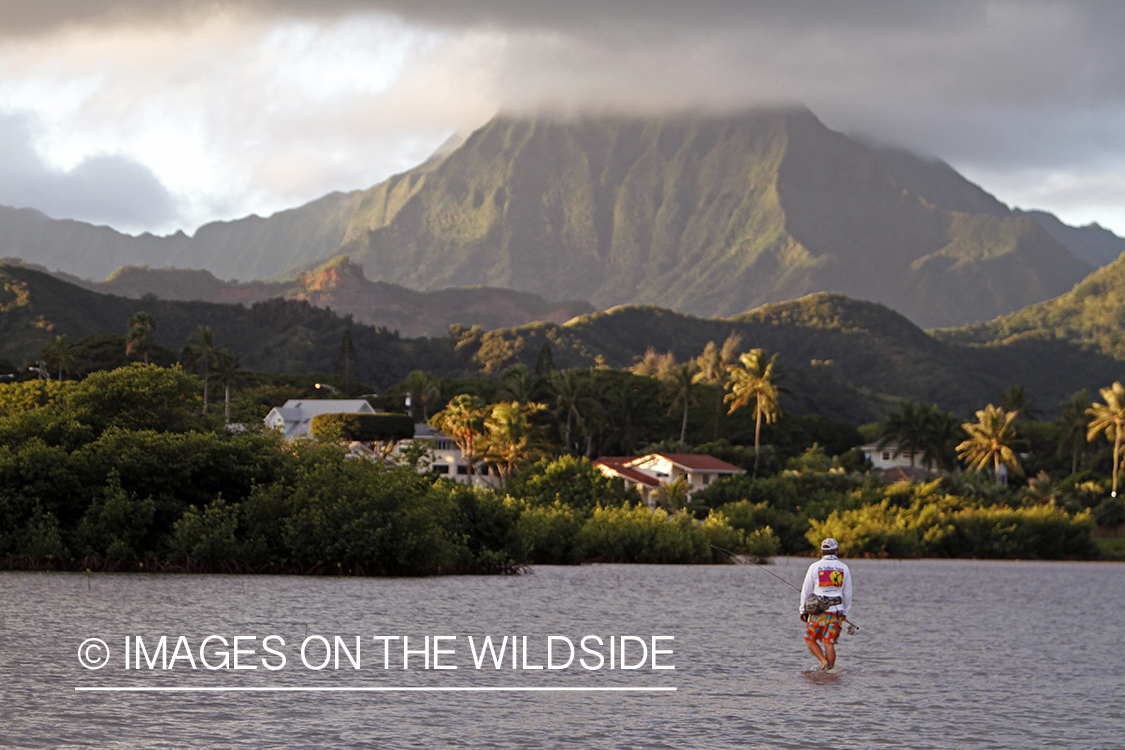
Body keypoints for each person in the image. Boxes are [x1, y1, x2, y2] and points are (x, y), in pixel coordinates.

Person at [798, 537, 853, 671]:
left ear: (822, 551)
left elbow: (806, 590)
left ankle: (823, 662)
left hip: (818, 611)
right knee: (829, 644)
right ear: (836, 551)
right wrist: (844, 612)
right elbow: (848, 593)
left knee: (809, 639)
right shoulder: (844, 568)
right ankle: (829, 673)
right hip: (836, 611)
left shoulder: (814, 567)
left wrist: (802, 610)